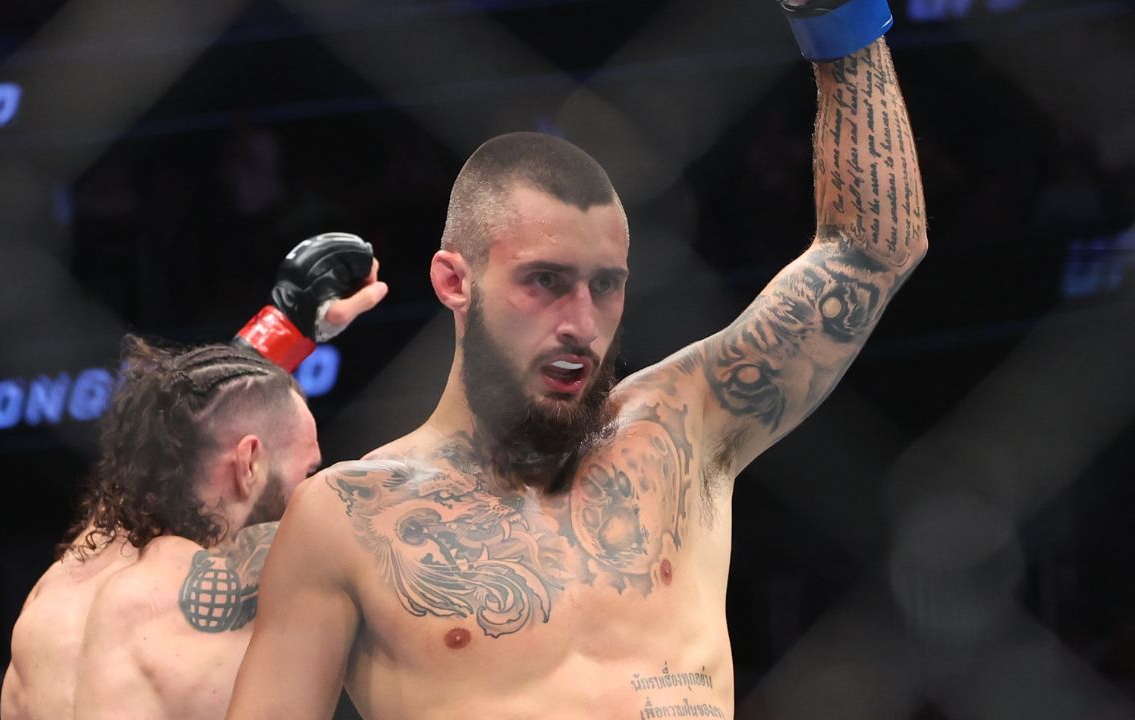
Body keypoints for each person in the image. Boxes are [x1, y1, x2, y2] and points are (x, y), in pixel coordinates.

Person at [225, 3, 926, 718]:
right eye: (546, 282)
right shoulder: (350, 517)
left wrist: (836, 14)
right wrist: (273, 340)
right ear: (453, 281)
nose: (582, 325)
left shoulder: (684, 427)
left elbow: (869, 250)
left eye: (607, 286)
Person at [0, 234, 387, 720]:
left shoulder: (66, 581)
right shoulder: (232, 591)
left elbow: (190, 424)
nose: (310, 484)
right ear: (248, 466)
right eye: (306, 469)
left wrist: (285, 324)